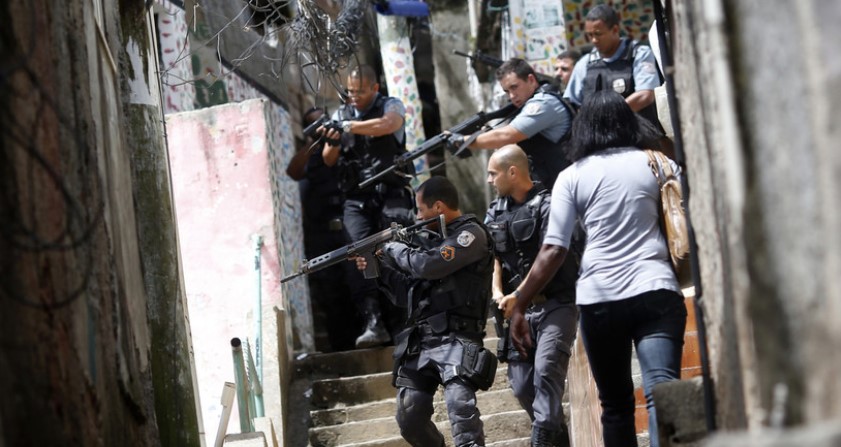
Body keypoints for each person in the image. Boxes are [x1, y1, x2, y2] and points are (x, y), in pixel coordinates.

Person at [500, 91, 687, 447]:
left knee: (615, 405)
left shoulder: (571, 177)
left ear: (583, 129)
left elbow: (554, 249)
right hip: (657, 289)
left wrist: (521, 303)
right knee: (663, 393)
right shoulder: (658, 163)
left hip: (600, 302)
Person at [355, 176, 496, 447]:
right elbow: (408, 292)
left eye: (420, 209)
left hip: (457, 337)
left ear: (439, 207)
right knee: (410, 416)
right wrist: (377, 268)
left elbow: (428, 266)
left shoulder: (470, 235)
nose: (416, 216)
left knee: (460, 408)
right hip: (422, 341)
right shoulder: (429, 240)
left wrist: (393, 248)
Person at [485, 145, 579, 447]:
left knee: (546, 371)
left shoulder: (548, 205)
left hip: (555, 304)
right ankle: (557, 437)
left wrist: (518, 294)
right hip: (517, 313)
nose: (489, 180)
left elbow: (547, 257)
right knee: (522, 385)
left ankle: (541, 441)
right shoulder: (494, 212)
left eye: (493, 173)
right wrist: (498, 292)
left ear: (513, 172)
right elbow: (494, 258)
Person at [322, 65, 415, 348]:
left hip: (391, 194)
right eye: (349, 91)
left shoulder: (390, 105)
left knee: (396, 253)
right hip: (356, 198)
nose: (353, 97)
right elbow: (328, 158)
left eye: (359, 92)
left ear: (374, 89)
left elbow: (388, 125)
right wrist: (334, 139)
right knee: (357, 256)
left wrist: (349, 127)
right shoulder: (341, 114)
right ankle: (373, 321)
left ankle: (405, 323)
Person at [285, 106, 360, 351]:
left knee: (356, 285)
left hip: (348, 228)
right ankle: (341, 348)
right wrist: (316, 141)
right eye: (314, 125)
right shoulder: (311, 155)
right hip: (322, 235)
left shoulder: (344, 145)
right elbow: (293, 171)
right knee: (331, 294)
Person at [451, 58, 573, 190]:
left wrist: (462, 141)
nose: (512, 96)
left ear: (531, 80)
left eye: (514, 87)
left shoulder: (544, 103)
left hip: (561, 189)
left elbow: (507, 135)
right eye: (507, 91)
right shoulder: (527, 105)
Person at [564, 4, 663, 132]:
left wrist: (608, 118)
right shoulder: (585, 63)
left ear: (615, 30)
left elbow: (645, 95)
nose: (594, 40)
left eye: (598, 34)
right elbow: (573, 104)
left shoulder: (638, 53)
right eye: (590, 35)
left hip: (638, 135)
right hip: (600, 140)